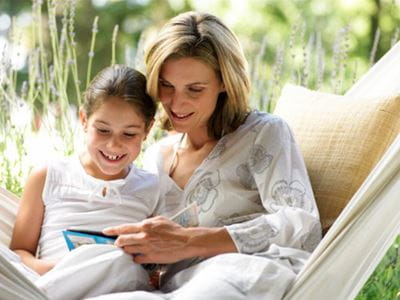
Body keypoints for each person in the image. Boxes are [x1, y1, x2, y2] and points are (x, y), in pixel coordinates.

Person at [98, 11, 322, 300]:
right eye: (167, 86)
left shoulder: (262, 133)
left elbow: (300, 222)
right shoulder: (157, 155)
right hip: (170, 286)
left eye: (195, 89)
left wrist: (190, 242)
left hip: (241, 272)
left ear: (224, 82)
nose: (177, 103)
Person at [5, 65, 161, 298]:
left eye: (129, 134)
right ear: (84, 119)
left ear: (148, 129)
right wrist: (66, 270)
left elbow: (156, 264)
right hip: (50, 283)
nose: (113, 145)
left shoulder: (152, 187)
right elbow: (20, 252)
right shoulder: (48, 176)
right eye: (103, 130)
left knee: (118, 260)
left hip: (118, 288)